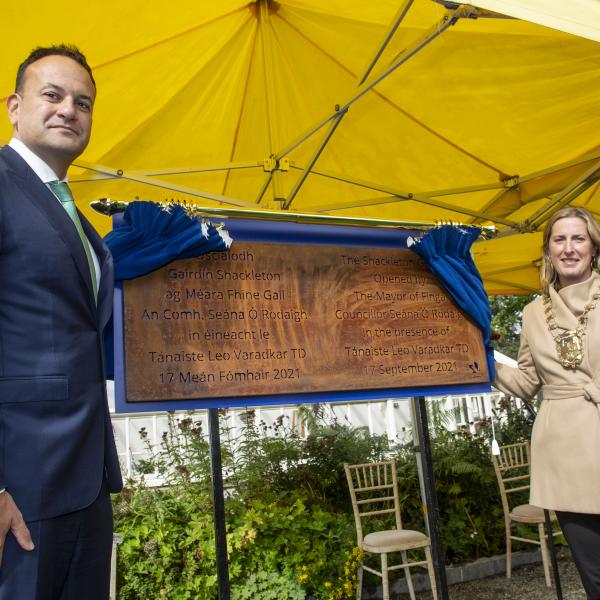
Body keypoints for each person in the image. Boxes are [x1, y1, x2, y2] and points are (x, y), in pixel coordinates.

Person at [0, 45, 122, 599]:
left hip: (85, 480)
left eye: (83, 102)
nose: (68, 110)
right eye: (52, 95)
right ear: (15, 107)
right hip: (20, 488)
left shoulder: (73, 214)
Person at [494, 206, 600, 599]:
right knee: (594, 574)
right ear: (548, 251)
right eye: (560, 239)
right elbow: (524, 383)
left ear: (593, 247)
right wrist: (480, 361)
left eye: (578, 238)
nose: (569, 248)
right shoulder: (533, 313)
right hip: (566, 454)